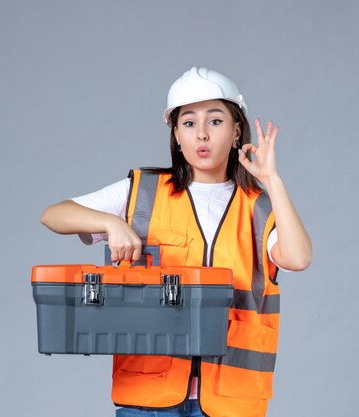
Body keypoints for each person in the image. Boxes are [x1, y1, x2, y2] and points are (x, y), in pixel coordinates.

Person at [40, 67, 312, 417]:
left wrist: (272, 181)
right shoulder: (144, 193)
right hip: (149, 397)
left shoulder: (258, 206)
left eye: (215, 121)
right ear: (177, 136)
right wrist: (110, 223)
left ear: (235, 131)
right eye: (188, 123)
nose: (201, 134)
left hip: (231, 401)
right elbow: (54, 215)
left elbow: (298, 258)